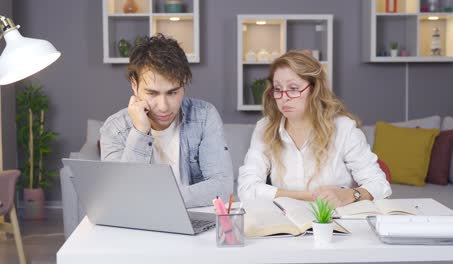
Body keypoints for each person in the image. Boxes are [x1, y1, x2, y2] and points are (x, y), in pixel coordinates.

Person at [237, 50, 391, 207]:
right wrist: (306, 197)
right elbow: (247, 188)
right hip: (287, 223)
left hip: (335, 223)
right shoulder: (265, 128)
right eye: (277, 89)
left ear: (314, 90)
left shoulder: (344, 128)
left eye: (293, 88)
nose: (284, 97)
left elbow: (380, 185)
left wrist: (349, 195)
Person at [100, 34, 233, 208]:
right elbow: (118, 197)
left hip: (191, 220)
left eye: (172, 92)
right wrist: (140, 131)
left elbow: (222, 188)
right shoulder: (114, 128)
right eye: (152, 93)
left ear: (183, 83)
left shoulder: (205, 116)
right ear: (134, 84)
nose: (163, 106)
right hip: (137, 226)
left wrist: (158, 201)